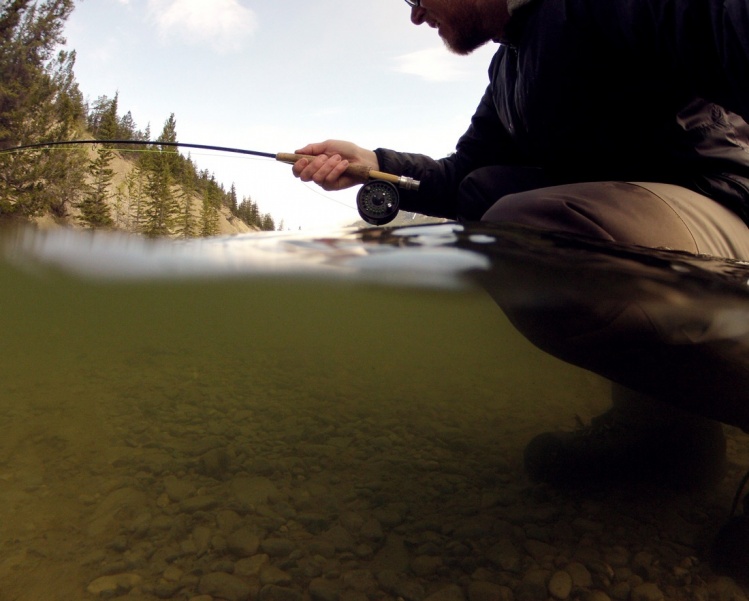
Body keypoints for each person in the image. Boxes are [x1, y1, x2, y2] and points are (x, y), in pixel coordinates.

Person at [292, 0, 749, 574]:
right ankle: (667, 435)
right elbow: (459, 179)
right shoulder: (510, 64)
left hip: (729, 218)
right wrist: (375, 163)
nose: (415, 17)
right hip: (669, 235)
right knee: (489, 198)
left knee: (535, 236)